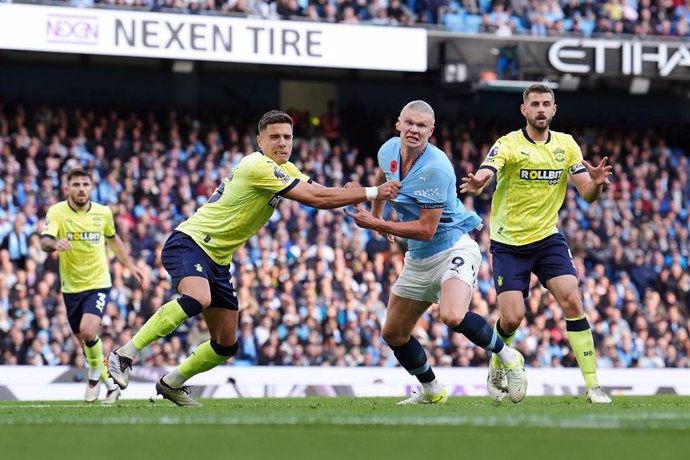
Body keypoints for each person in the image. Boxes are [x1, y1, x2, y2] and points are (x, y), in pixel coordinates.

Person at [107, 110, 401, 407]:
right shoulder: (258, 165)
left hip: (218, 259)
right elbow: (314, 199)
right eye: (274, 137)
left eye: (287, 137)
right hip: (191, 242)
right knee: (198, 298)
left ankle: (171, 383)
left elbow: (318, 191)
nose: (282, 143)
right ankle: (123, 354)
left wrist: (351, 192)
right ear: (259, 141)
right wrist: (373, 191)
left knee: (225, 344)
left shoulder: (286, 168)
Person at [344, 100, 527, 405]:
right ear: (398, 124)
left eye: (421, 126)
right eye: (409, 123)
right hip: (418, 257)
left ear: (431, 131)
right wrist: (378, 215)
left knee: (452, 315)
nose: (414, 130)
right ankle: (432, 390)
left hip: (453, 246)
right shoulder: (389, 149)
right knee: (393, 334)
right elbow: (381, 177)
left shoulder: (437, 168)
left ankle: (509, 357)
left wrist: (378, 221)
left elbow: (427, 228)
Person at [460, 83, 613, 404]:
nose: (541, 109)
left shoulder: (567, 146)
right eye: (535, 104)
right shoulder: (509, 144)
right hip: (508, 243)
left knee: (572, 298)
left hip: (547, 238)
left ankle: (593, 385)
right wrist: (477, 184)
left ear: (554, 109)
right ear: (524, 110)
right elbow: (487, 171)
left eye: (547, 104)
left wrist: (597, 184)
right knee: (512, 318)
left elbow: (587, 193)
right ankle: (498, 361)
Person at [41, 167, 145, 404]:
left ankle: (93, 378)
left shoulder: (103, 213)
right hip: (70, 287)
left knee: (89, 332)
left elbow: (113, 239)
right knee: (85, 343)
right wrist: (55, 243)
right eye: (76, 185)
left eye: (85, 184)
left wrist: (129, 265)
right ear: (67, 188)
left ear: (92, 188)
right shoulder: (57, 212)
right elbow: (44, 241)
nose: (81, 189)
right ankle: (110, 385)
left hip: (98, 282)